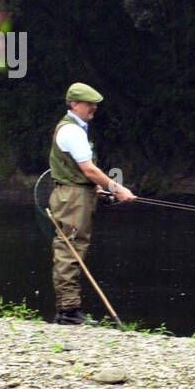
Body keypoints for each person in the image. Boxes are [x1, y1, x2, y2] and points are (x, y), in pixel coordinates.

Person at [48, 82, 135, 324]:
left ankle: (69, 310)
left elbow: (76, 170)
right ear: (74, 105)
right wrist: (117, 189)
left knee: (73, 246)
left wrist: (97, 191)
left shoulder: (74, 129)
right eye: (89, 105)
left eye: (95, 105)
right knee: (70, 249)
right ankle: (68, 312)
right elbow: (89, 169)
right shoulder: (72, 131)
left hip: (75, 195)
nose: (93, 108)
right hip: (73, 199)